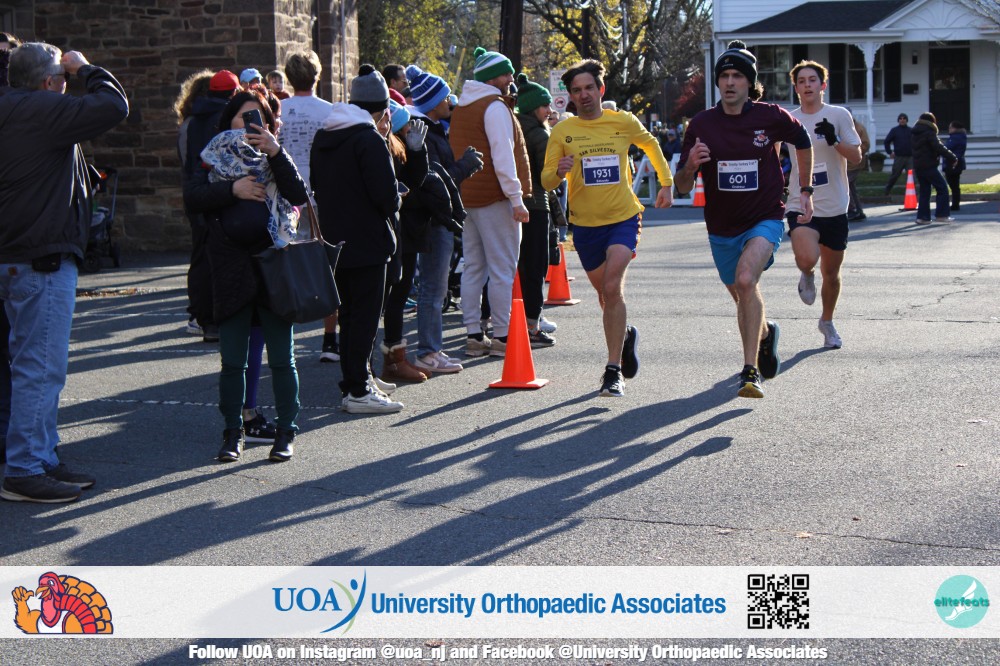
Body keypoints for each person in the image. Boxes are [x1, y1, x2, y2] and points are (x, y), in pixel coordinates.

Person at [0, 43, 128, 502]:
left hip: (16, 255)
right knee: (39, 369)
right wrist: (87, 68)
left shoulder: (13, 108)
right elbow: (114, 105)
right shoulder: (42, 109)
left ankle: (39, 457)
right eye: (61, 77)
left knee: (26, 368)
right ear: (49, 81)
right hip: (41, 259)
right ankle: (24, 469)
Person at [675, 40, 814, 399]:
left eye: (738, 76)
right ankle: (765, 334)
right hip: (722, 226)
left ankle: (749, 371)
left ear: (749, 82)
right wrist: (690, 166)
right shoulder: (702, 124)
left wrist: (805, 189)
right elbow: (681, 186)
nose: (730, 82)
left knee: (746, 279)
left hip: (765, 217)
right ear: (717, 82)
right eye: (724, 76)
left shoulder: (770, 116)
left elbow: (803, 141)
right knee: (741, 293)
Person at [184, 88, 307, 462]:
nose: (252, 124)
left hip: (273, 267)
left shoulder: (276, 155)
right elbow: (192, 198)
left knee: (282, 358)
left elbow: (298, 194)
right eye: (244, 117)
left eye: (260, 118)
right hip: (231, 266)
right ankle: (232, 432)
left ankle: (286, 431)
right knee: (233, 361)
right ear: (229, 121)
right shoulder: (213, 155)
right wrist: (232, 189)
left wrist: (275, 152)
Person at [541, 59, 673, 397]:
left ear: (600, 89)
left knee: (613, 287)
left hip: (623, 218)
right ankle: (624, 335)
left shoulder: (623, 121)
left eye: (589, 88)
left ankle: (613, 371)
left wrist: (666, 183)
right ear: (570, 96)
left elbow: (651, 145)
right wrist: (559, 170)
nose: (584, 94)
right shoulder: (563, 131)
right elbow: (545, 180)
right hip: (586, 226)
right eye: (577, 90)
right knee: (605, 295)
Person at [311, 65, 404, 414]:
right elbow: (386, 198)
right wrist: (397, 196)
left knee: (349, 316)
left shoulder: (325, 136)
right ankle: (359, 389)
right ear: (382, 109)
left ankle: (356, 381)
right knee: (364, 318)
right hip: (368, 241)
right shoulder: (369, 139)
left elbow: (317, 184)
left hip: (336, 239)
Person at [449, 47, 531, 358]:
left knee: (473, 267)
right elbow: (503, 156)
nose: (511, 78)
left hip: (467, 196)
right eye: (507, 73)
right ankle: (502, 336)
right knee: (502, 269)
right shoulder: (494, 107)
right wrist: (516, 198)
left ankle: (473, 334)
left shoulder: (463, 106)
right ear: (493, 77)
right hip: (495, 197)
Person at [405, 63, 482, 375]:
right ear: (433, 102)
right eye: (445, 96)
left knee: (435, 289)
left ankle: (432, 348)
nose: (450, 101)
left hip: (436, 218)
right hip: (432, 220)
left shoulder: (432, 130)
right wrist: (466, 165)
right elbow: (436, 182)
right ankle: (428, 351)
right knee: (433, 289)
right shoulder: (425, 133)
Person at [784, 61, 862, 351]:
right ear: (796, 88)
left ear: (822, 85)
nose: (807, 85)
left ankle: (827, 322)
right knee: (807, 257)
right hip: (800, 201)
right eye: (801, 81)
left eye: (812, 80)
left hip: (835, 205)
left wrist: (834, 139)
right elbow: (772, 153)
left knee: (832, 273)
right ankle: (806, 272)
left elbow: (856, 157)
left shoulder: (838, 115)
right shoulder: (789, 120)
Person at [278, 51, 339, 362]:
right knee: (328, 267)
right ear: (317, 76)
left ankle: (284, 340)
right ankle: (330, 340)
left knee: (285, 267)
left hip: (285, 197)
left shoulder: (280, 110)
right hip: (320, 196)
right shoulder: (329, 112)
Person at [380, 100, 432, 384]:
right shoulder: (384, 148)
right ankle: (392, 361)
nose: (412, 128)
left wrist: (417, 151)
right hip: (399, 232)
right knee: (393, 297)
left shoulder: (399, 148)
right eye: (406, 124)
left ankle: (395, 358)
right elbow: (412, 187)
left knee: (397, 296)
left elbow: (416, 180)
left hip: (407, 231)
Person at [514, 73, 558, 348]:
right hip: (537, 205)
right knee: (536, 265)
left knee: (520, 265)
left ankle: (520, 321)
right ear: (533, 108)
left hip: (517, 204)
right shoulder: (540, 134)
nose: (549, 110)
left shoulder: (516, 127)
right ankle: (533, 324)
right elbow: (547, 177)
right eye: (545, 105)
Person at [911, 111, 957, 224]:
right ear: (932, 122)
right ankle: (942, 215)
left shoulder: (914, 133)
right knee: (942, 188)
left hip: (918, 165)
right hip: (929, 165)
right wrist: (952, 157)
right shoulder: (929, 132)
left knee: (925, 191)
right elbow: (938, 147)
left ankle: (923, 217)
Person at [846, 110, 870, 221]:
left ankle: (852, 209)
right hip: (846, 163)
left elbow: (866, 144)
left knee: (846, 184)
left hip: (854, 163)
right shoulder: (844, 126)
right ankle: (859, 211)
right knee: (851, 187)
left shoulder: (858, 128)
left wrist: (854, 152)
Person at [883, 113, 912, 195]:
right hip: (899, 157)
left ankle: (912, 192)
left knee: (911, 176)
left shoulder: (911, 130)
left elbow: (916, 142)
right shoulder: (894, 130)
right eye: (900, 119)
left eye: (904, 118)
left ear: (906, 120)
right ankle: (887, 190)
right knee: (895, 175)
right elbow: (886, 141)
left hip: (910, 157)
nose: (902, 120)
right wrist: (889, 152)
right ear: (898, 120)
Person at [943, 121, 967, 212]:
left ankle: (955, 205)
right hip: (957, 163)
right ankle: (955, 204)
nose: (949, 129)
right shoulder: (961, 137)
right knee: (955, 185)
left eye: (950, 127)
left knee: (953, 185)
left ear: (955, 129)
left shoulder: (955, 138)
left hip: (953, 163)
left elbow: (947, 148)